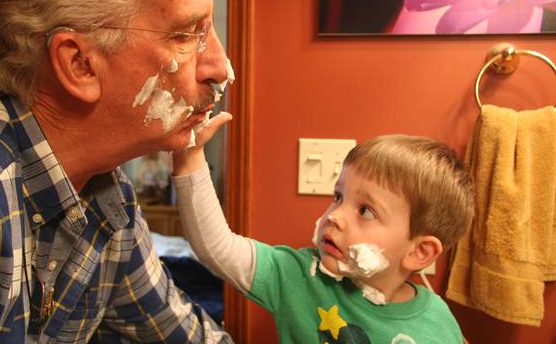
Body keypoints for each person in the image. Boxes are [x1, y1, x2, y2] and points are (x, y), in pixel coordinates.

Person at [0, 0, 234, 342]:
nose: (221, 67)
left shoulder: (109, 200)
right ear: (80, 65)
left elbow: (186, 334)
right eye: (185, 35)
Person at [173, 122, 475, 344]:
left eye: (366, 211)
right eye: (338, 197)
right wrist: (190, 158)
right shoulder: (302, 276)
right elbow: (217, 248)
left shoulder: (437, 324)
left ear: (418, 252)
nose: (335, 216)